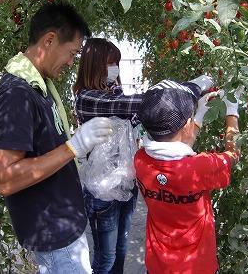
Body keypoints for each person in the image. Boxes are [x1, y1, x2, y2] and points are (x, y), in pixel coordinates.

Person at [73, 38, 214, 274]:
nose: (115, 68)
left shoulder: (113, 91)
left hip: (126, 182)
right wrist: (191, 88)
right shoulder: (88, 98)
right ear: (94, 65)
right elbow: (143, 105)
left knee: (120, 251)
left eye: (116, 62)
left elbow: (137, 117)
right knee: (105, 258)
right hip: (102, 192)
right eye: (110, 63)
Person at [0, 2, 113, 274]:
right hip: (56, 238)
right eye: (71, 53)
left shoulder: (39, 85)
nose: (71, 62)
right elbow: (5, 179)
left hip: (64, 228)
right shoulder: (16, 94)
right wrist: (74, 146)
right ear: (49, 40)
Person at [134, 81, 242, 274]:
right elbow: (233, 155)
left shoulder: (141, 160)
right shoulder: (202, 168)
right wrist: (232, 112)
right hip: (198, 266)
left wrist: (198, 115)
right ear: (186, 126)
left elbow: (175, 147)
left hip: (158, 265)